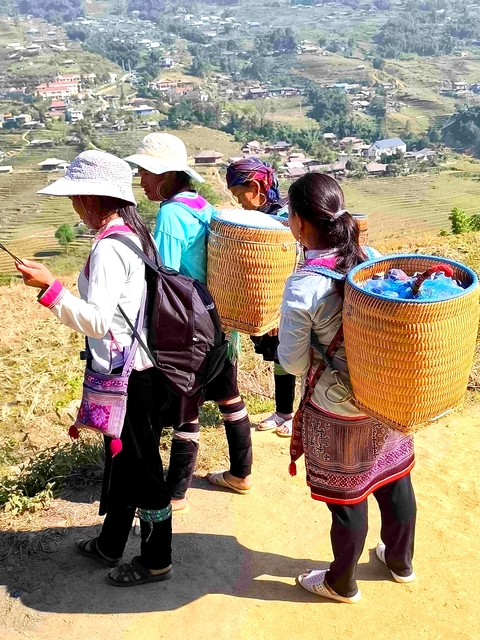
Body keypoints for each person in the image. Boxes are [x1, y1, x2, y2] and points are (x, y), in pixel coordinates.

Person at [15, 151, 173, 587]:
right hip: (134, 370)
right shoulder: (132, 236)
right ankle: (110, 543)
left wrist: (51, 287)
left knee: (142, 472)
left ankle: (157, 558)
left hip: (128, 378)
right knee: (122, 463)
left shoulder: (109, 248)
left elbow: (100, 321)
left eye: (74, 196)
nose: (72, 205)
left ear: (89, 197)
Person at [278, 173, 416, 604]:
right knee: (394, 479)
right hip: (387, 396)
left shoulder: (304, 286)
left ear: (300, 224)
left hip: (338, 408)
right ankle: (400, 562)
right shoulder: (371, 259)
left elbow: (294, 362)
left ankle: (342, 582)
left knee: (348, 496)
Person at [126, 134, 253, 515]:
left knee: (187, 404)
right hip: (220, 321)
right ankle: (241, 472)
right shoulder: (202, 205)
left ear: (166, 175)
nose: (142, 180)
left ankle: (177, 491)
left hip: (190, 328)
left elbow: (164, 277)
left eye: (145, 173)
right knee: (228, 394)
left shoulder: (170, 214)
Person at [226, 157, 296, 437]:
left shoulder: (285, 217)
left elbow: (295, 265)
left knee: (300, 357)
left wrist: (281, 310)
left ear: (255, 188)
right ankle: (283, 412)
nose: (240, 202)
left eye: (239, 195)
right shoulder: (263, 217)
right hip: (271, 307)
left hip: (290, 304)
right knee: (281, 358)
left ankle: (299, 415)